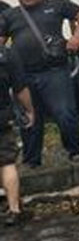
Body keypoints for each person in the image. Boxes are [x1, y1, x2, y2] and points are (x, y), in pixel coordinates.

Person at [0, 0, 79, 165]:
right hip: (23, 76)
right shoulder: (10, 15)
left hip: (54, 71)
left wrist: (76, 37)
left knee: (65, 113)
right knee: (29, 120)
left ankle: (75, 152)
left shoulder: (56, 5)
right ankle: (32, 161)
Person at [0, 45, 35, 226]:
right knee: (6, 163)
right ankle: (14, 210)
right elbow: (20, 88)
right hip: (2, 118)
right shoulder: (6, 54)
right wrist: (29, 110)